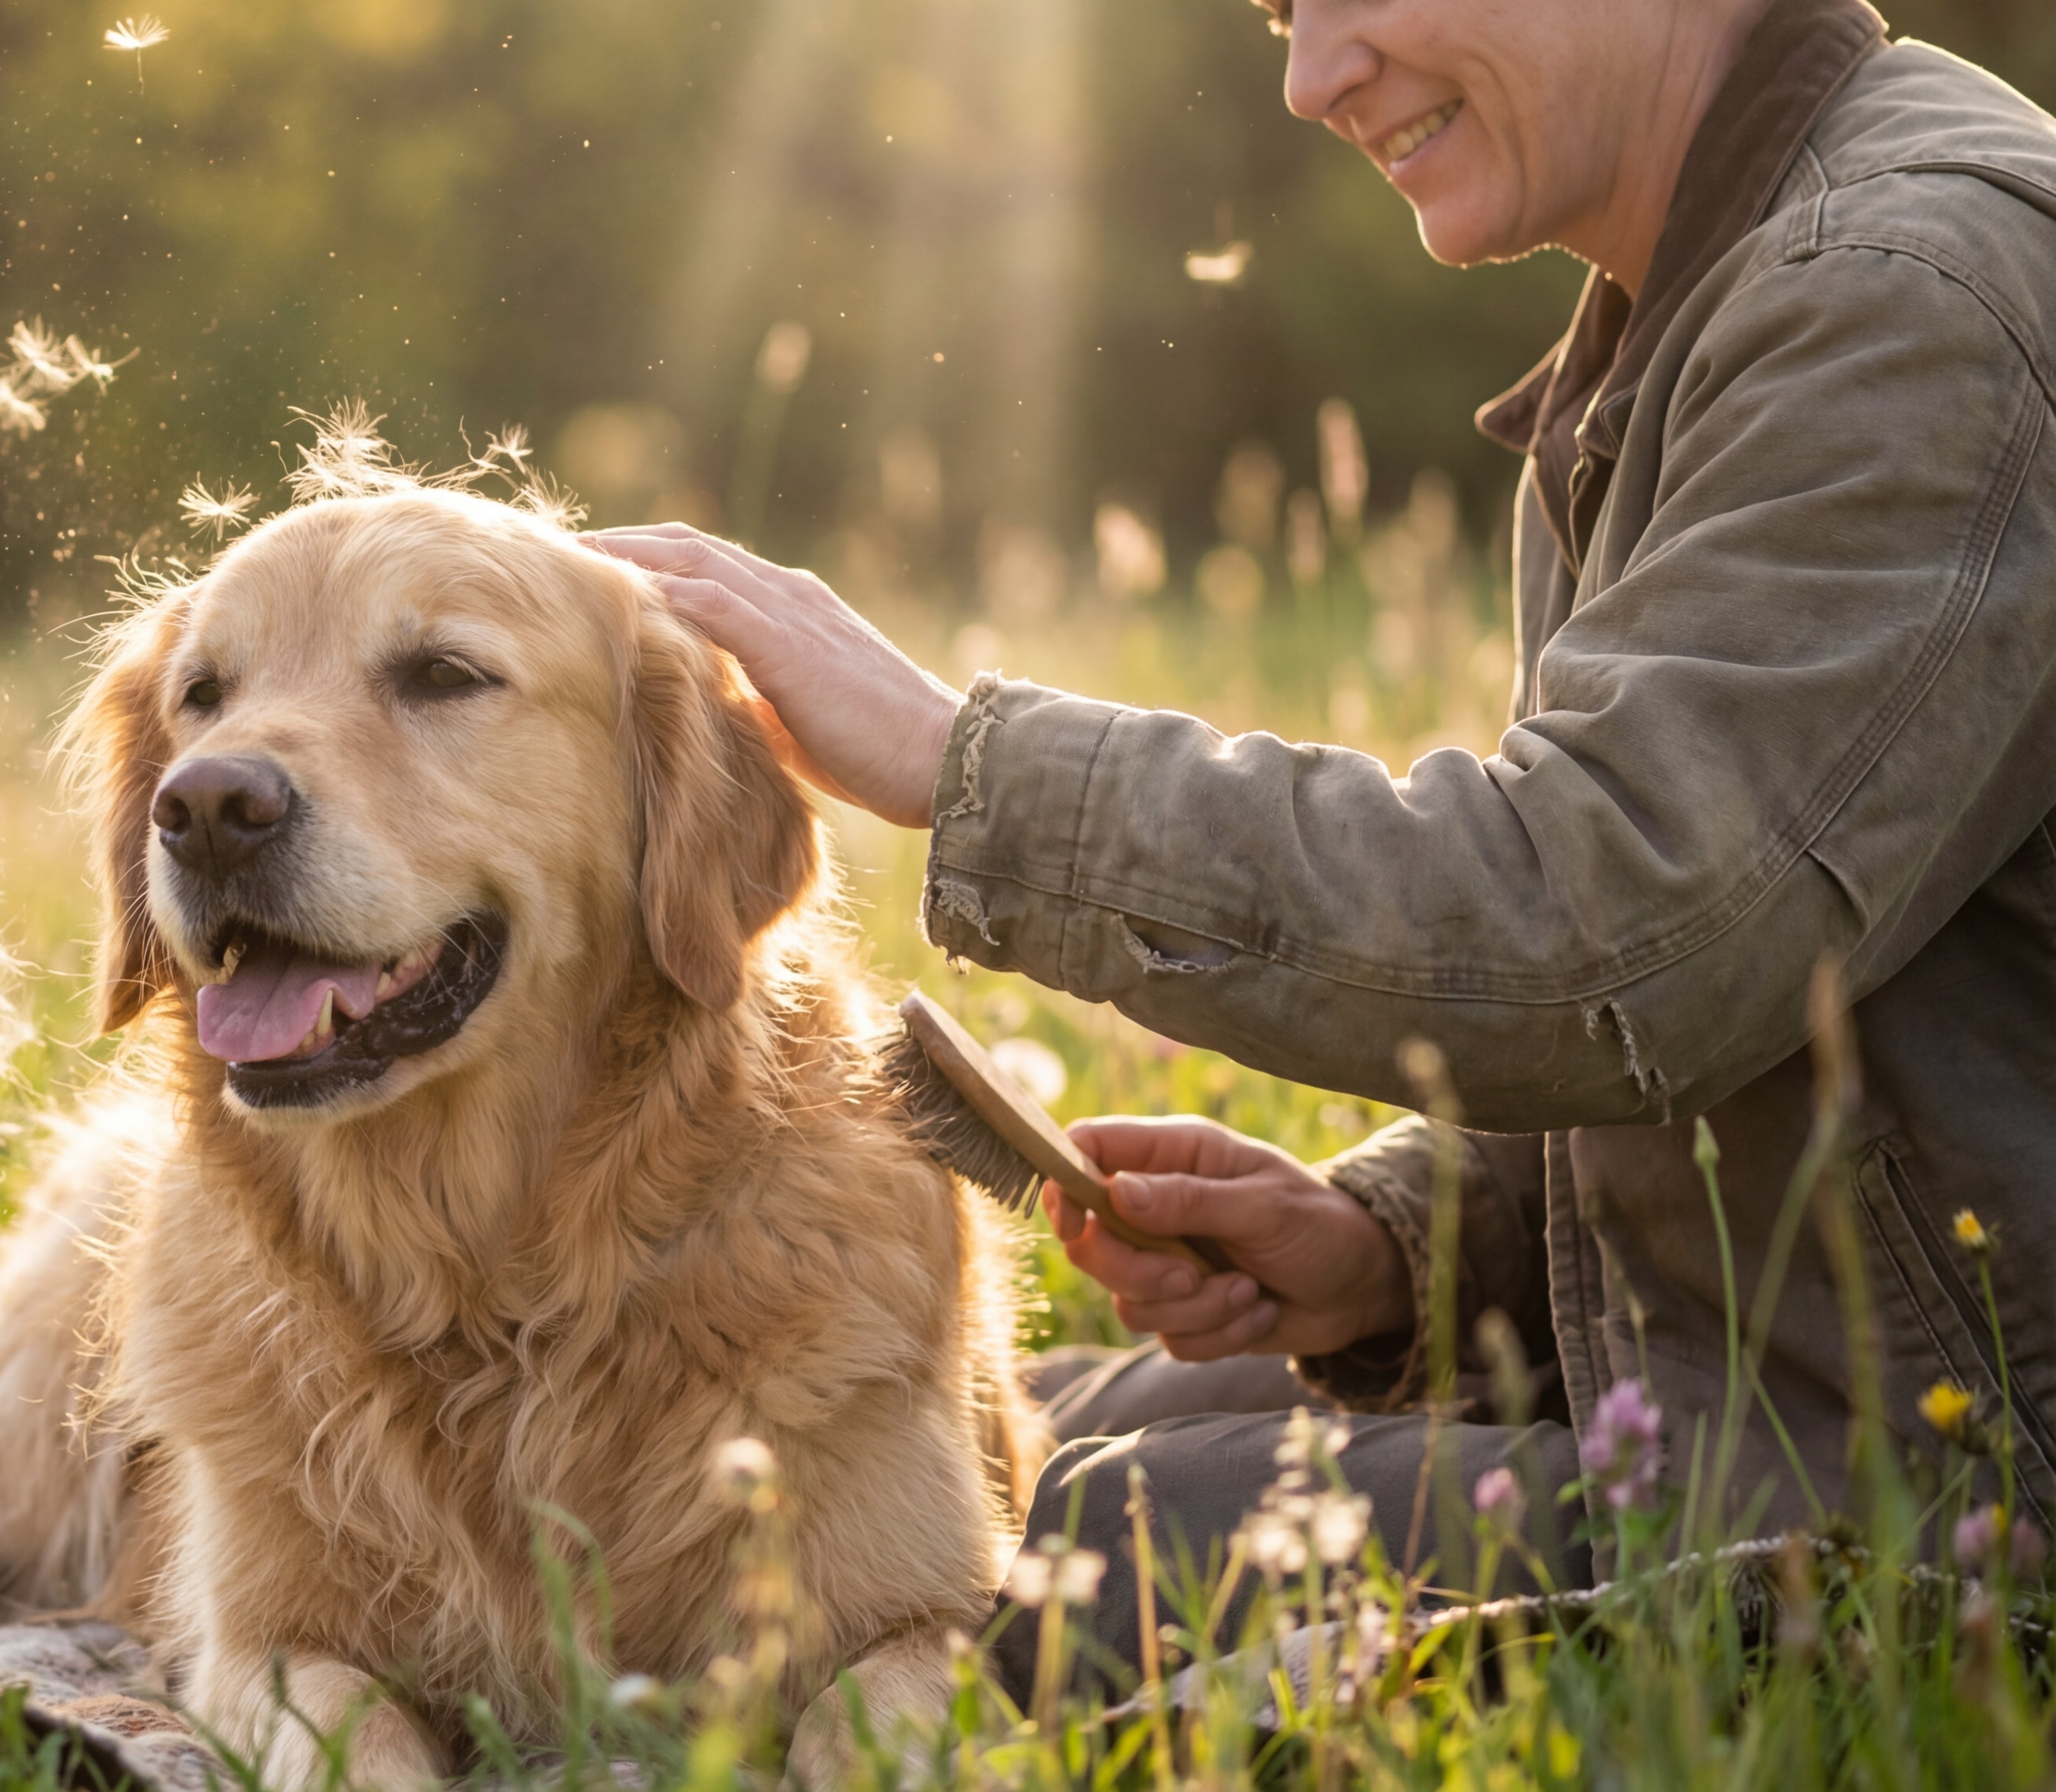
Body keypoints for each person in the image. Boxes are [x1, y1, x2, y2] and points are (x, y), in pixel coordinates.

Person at [591, 0, 2056, 1690]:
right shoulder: (1698, 316)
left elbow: (1615, 938)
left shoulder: (1906, 296)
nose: (1310, 79)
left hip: (1946, 1537)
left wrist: (958, 763)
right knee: (882, 1441)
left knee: (875, 1577)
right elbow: (1786, 1009)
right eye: (1287, 13)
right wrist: (1393, 1261)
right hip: (1747, 1410)